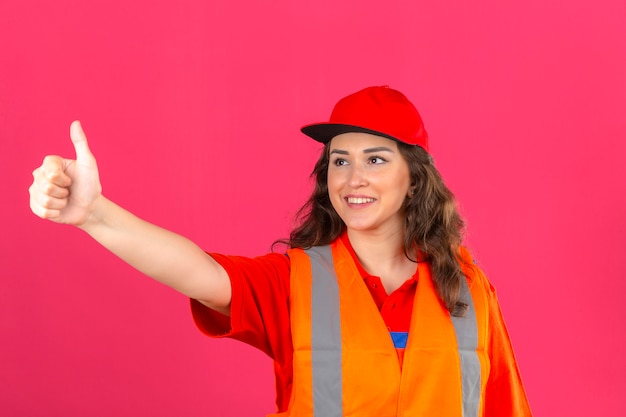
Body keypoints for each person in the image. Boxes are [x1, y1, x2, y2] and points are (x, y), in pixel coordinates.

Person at [29, 86, 532, 416]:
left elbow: (504, 404)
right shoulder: (297, 282)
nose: (353, 178)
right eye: (340, 162)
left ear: (414, 177)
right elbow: (197, 270)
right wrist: (95, 215)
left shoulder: (466, 287)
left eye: (375, 160)